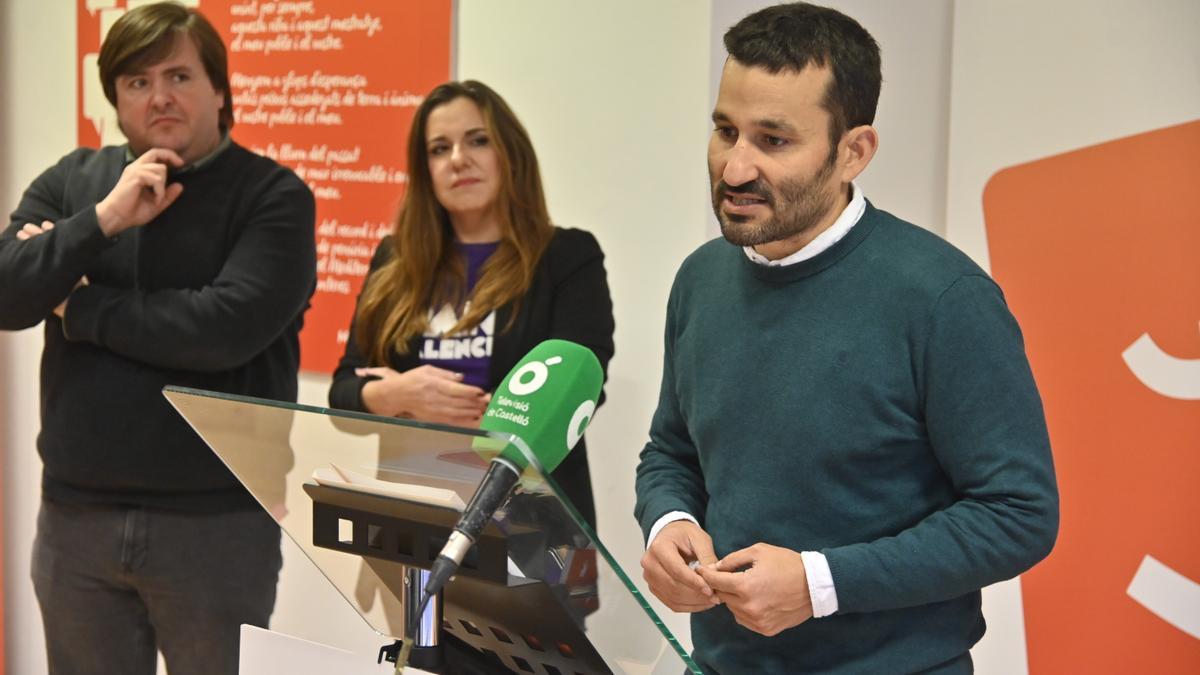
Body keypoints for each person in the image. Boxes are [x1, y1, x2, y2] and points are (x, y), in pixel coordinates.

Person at [634, 3, 1059, 673]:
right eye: (725, 130)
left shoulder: (944, 299)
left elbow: (1017, 513)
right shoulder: (700, 279)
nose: (735, 167)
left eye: (773, 140)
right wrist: (668, 524)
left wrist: (821, 584)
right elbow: (671, 450)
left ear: (853, 152)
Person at [0, 4, 316, 674]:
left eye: (179, 75)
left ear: (220, 90)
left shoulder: (273, 196)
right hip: (75, 520)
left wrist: (77, 305)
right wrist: (105, 217)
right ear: (116, 96)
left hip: (216, 526)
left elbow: (220, 332)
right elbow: (7, 294)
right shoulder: (74, 183)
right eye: (138, 82)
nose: (160, 96)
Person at [328, 80, 615, 529]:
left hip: (528, 518)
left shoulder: (567, 257)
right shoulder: (394, 258)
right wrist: (396, 394)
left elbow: (580, 387)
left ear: (509, 152)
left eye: (478, 141)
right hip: (411, 507)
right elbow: (344, 391)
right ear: (425, 170)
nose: (459, 159)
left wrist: (463, 415)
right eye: (440, 149)